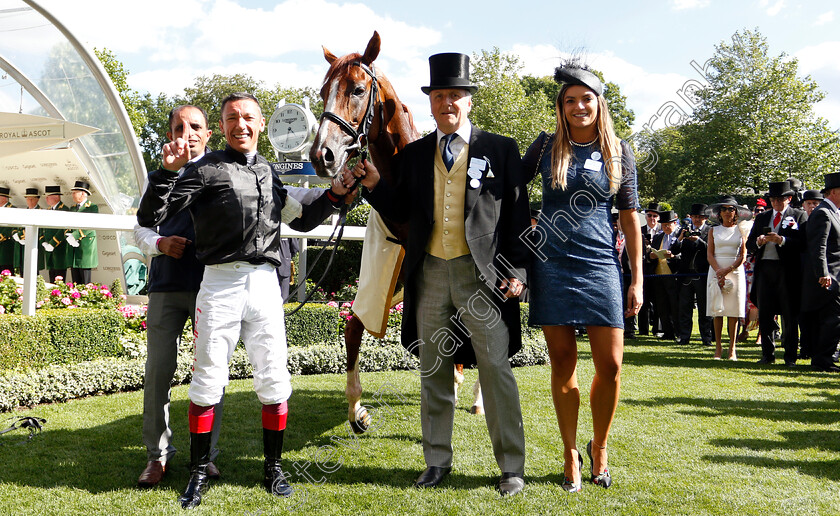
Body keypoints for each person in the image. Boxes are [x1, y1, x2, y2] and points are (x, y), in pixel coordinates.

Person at [137, 92, 351, 508]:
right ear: (223, 125)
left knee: (273, 377)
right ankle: (198, 472)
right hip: (219, 283)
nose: (241, 124)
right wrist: (166, 171)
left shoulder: (270, 173)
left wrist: (337, 193)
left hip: (266, 285)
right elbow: (150, 218)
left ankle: (273, 468)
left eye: (248, 117)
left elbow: (302, 218)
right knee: (208, 379)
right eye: (232, 117)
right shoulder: (204, 170)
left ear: (260, 122)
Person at [348, 53, 530, 497]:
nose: (447, 103)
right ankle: (436, 461)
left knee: (495, 369)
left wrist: (520, 269)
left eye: (455, 95)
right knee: (433, 370)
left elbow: (518, 215)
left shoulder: (501, 149)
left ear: (469, 101)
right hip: (428, 273)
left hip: (482, 277)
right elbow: (400, 213)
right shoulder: (414, 155)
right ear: (430, 103)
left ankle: (511, 467)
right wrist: (374, 186)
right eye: (440, 96)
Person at [520, 61, 641, 493]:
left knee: (610, 365)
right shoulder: (547, 146)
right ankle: (570, 452)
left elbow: (630, 219)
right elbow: (510, 192)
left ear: (599, 103)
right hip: (551, 265)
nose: (578, 106)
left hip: (600, 266)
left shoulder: (620, 151)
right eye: (569, 100)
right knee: (563, 364)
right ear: (561, 106)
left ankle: (600, 448)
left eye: (585, 99)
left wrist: (637, 279)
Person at [134, 105, 224, 488]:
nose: (186, 132)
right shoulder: (159, 177)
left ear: (208, 134)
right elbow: (138, 229)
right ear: (169, 133)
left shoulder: (222, 171)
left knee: (210, 373)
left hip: (212, 287)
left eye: (195, 126)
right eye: (178, 126)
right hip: (166, 287)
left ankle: (206, 457)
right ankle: (157, 457)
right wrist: (159, 242)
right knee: (158, 373)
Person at [746, 180, 806, 366]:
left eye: (780, 199)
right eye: (773, 199)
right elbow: (749, 244)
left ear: (788, 199)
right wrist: (758, 242)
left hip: (787, 271)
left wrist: (782, 240)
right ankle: (767, 355)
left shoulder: (799, 215)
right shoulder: (763, 217)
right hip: (765, 269)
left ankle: (790, 357)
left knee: (789, 315)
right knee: (766, 314)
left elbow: (803, 244)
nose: (776, 202)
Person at [801, 173, 840, 372]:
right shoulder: (823, 213)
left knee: (832, 319)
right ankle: (822, 360)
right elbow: (819, 247)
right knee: (832, 319)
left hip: (835, 275)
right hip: (829, 277)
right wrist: (823, 273)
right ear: (833, 192)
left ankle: (825, 358)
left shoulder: (834, 212)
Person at [706, 196, 748, 360]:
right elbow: (709, 254)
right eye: (724, 209)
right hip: (716, 271)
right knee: (718, 311)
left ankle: (732, 349)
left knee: (733, 311)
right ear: (719, 213)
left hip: (735, 271)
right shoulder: (713, 231)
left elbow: (743, 255)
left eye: (731, 209)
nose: (727, 212)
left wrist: (728, 270)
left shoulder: (741, 230)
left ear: (736, 212)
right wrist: (719, 272)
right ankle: (718, 348)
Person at [676, 203, 713, 346]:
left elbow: (711, 250)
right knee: (685, 308)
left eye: (700, 217)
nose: (697, 220)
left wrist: (699, 241)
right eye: (695, 217)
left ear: (705, 218)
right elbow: (674, 249)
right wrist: (680, 238)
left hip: (702, 274)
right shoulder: (684, 230)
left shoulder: (710, 231)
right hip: (686, 275)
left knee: (704, 308)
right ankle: (684, 337)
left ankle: (707, 338)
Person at [647, 210, 682, 341]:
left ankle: (678, 332)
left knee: (674, 305)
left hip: (673, 275)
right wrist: (651, 256)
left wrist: (673, 256)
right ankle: (667, 332)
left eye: (669, 224)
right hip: (658, 275)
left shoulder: (680, 235)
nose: (666, 227)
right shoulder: (657, 237)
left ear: (674, 224)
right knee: (661, 305)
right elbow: (650, 255)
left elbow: (683, 254)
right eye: (664, 225)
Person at [66, 181, 99, 285]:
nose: (72, 194)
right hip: (73, 246)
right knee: (75, 278)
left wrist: (75, 236)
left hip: (85, 246)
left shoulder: (92, 207)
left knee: (85, 280)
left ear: (83, 193)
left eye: (75, 192)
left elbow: (90, 225)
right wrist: (69, 234)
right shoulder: (72, 208)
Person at [640, 202, 662, 336]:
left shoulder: (662, 231)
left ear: (658, 217)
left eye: (655, 216)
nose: (652, 218)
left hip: (660, 269)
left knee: (659, 300)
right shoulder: (640, 230)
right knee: (643, 300)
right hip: (644, 269)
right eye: (649, 215)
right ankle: (643, 330)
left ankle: (657, 329)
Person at [41, 185, 71, 283]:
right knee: (51, 275)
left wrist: (52, 243)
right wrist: (44, 242)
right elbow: (44, 228)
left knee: (59, 276)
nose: (46, 198)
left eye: (48, 196)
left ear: (56, 197)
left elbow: (63, 229)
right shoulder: (48, 210)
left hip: (59, 249)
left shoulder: (64, 209)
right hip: (49, 249)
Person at [0, 187, 17, 274]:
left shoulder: (12, 209)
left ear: (3, 198)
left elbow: (12, 226)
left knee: (6, 269)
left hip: (7, 246)